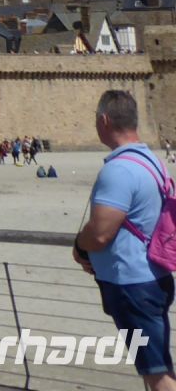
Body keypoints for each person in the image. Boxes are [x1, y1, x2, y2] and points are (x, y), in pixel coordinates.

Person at [73, 89, 176, 391]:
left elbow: (101, 232)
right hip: (154, 275)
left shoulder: (118, 170)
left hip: (132, 283)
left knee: (156, 373)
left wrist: (80, 247)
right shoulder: (152, 162)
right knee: (156, 364)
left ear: (104, 120)